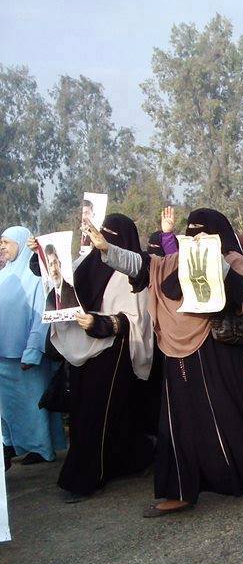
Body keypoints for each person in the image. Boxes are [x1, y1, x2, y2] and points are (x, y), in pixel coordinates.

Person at [88, 208, 243, 516]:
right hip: (176, 352)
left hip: (220, 354)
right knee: (178, 424)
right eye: (191, 232)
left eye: (204, 232)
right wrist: (107, 249)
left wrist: (215, 259)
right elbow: (140, 264)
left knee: (231, 419)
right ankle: (180, 491)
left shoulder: (233, 259)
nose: (196, 237)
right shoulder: (170, 262)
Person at [37, 215, 155, 501]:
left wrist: (101, 323)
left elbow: (137, 319)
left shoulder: (132, 269)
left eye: (113, 235)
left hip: (113, 352)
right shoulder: (87, 262)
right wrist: (37, 252)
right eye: (103, 233)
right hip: (83, 347)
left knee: (96, 415)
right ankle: (133, 459)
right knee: (87, 412)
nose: (105, 239)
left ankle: (84, 479)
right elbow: (58, 281)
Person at [0, 227, 67, 466]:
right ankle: (10, 445)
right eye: (1, 243)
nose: (2, 247)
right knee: (7, 409)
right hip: (3, 355)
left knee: (33, 406)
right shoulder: (4, 275)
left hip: (26, 357)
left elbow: (41, 316)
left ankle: (41, 448)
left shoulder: (36, 276)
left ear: (19, 243)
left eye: (6, 242)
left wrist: (32, 351)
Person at [42, 243, 80, 310]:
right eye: (50, 265)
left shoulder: (73, 291)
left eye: (55, 263)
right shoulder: (50, 298)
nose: (54, 269)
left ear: (59, 263)